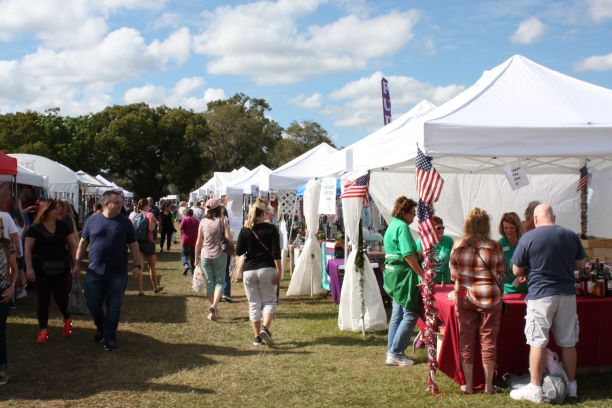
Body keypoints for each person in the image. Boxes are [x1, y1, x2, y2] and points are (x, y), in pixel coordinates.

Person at [509, 204, 585, 403]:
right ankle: (571, 386)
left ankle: (535, 388)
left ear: (535, 219)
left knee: (537, 341)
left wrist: (529, 268)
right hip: (567, 294)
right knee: (569, 342)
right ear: (554, 217)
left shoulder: (528, 237)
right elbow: (580, 264)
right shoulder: (570, 235)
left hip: (541, 295)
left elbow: (516, 270)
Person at [76, 190, 143, 352]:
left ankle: (110, 338)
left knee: (114, 307)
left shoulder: (125, 223)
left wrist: (137, 266)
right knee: (92, 304)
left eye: (121, 202)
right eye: (117, 203)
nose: (121, 205)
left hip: (117, 273)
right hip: (94, 272)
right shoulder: (92, 220)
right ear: (107, 204)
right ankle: (102, 327)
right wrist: (77, 263)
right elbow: (83, 243)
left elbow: (134, 246)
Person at [450, 208, 505, 394]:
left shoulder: (458, 245)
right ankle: (489, 386)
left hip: (465, 297)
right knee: (488, 340)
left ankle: (469, 385)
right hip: (490, 296)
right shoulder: (495, 246)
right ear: (487, 225)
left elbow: (453, 274)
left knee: (466, 338)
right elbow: (501, 270)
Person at [24, 199, 79, 343]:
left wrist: (75, 264)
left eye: (59, 208)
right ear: (47, 211)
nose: (59, 210)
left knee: (61, 298)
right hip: (41, 270)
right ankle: (43, 330)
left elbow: (72, 245)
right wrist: (29, 268)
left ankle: (67, 320)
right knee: (43, 300)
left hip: (61, 269)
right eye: (55, 208)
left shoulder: (63, 226)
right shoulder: (35, 228)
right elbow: (28, 248)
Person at [382, 196, 424, 366]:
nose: (414, 216)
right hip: (403, 275)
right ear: (404, 212)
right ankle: (396, 352)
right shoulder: (402, 227)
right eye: (412, 213)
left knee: (397, 314)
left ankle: (392, 351)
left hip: (393, 274)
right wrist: (422, 273)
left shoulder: (392, 225)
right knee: (410, 313)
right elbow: (407, 254)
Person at [235, 199, 282, 346]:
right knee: (269, 301)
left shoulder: (245, 230)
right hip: (267, 268)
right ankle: (265, 329)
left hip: (249, 270)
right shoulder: (271, 229)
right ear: (263, 214)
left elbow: (239, 251)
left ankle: (257, 337)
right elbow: (276, 252)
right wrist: (279, 270)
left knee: (253, 303)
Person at [195, 198, 233, 321]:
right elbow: (229, 238)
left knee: (210, 283)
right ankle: (214, 306)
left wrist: (196, 258)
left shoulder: (203, 222)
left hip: (205, 255)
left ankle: (213, 311)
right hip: (220, 254)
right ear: (218, 208)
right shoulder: (223, 220)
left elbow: (198, 242)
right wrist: (226, 225)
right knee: (220, 282)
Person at [130, 199, 163, 294]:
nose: (150, 206)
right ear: (146, 205)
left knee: (139, 266)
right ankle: (155, 288)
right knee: (152, 266)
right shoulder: (150, 215)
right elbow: (150, 228)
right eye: (149, 205)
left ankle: (140, 290)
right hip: (148, 242)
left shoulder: (133, 215)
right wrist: (155, 223)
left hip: (137, 243)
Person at [0, 217, 18, 385]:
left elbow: (14, 269)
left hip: (3, 293)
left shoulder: (7, 246)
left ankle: (2, 369)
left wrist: (12, 287)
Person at [416, 216, 454, 284]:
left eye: (443, 228)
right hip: (426, 280)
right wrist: (421, 276)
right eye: (438, 228)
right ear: (431, 229)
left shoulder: (449, 241)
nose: (441, 230)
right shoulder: (421, 242)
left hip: (444, 280)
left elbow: (454, 260)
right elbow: (416, 263)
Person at [498, 212, 527, 294]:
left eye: (511, 228)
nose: (508, 231)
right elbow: (498, 270)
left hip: (526, 287)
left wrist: (524, 274)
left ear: (517, 228)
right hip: (508, 288)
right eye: (505, 228)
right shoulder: (501, 244)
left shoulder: (524, 240)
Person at [7, 197, 28, 300]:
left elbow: (12, 235)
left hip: (12, 247)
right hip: (20, 245)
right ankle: (22, 289)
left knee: (13, 270)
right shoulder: (23, 218)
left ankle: (15, 293)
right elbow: (24, 232)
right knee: (19, 269)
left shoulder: (10, 218)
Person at [179, 208, 199, 275]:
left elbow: (180, 228)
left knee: (184, 254)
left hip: (186, 239)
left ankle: (185, 265)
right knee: (192, 255)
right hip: (194, 240)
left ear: (186, 213)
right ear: (192, 213)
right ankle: (192, 270)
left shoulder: (185, 219)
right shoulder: (196, 221)